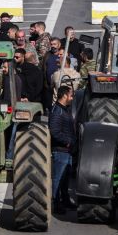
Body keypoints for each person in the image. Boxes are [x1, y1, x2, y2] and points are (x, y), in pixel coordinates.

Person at [48, 85, 77, 213]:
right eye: (71, 95)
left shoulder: (65, 110)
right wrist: (68, 142)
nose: (72, 98)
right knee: (58, 178)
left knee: (65, 178)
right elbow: (54, 131)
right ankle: (56, 203)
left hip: (67, 151)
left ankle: (65, 200)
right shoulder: (57, 111)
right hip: (60, 150)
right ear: (64, 95)